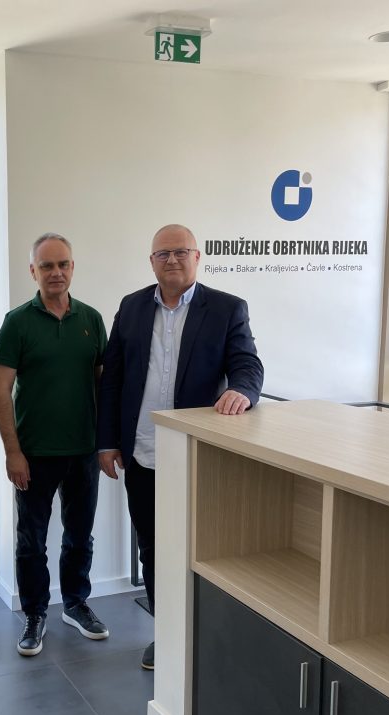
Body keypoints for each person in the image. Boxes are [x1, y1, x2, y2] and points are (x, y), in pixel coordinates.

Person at [97, 224, 264, 670]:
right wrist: (107, 441)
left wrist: (243, 391)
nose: (172, 260)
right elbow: (112, 378)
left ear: (197, 257)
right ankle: (167, 633)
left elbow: (247, 364)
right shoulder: (131, 307)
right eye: (163, 254)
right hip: (142, 453)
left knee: (203, 549)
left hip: (196, 457)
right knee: (152, 549)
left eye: (180, 252)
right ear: (151, 261)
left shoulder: (227, 308)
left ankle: (205, 634)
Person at [0, 233, 109, 656]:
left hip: (84, 451)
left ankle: (75, 604)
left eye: (62, 264)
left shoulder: (92, 319)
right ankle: (35, 613)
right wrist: (13, 452)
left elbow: (103, 385)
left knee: (80, 536)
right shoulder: (17, 322)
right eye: (46, 266)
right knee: (32, 541)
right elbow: (0, 391)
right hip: (34, 455)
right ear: (33, 271)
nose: (55, 272)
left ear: (72, 267)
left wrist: (106, 443)